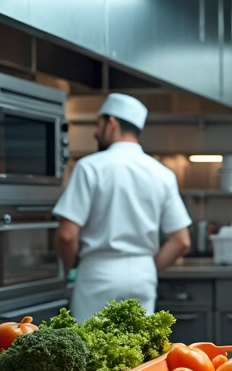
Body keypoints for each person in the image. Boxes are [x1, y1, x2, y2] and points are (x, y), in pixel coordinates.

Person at [54, 94, 192, 321]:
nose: (95, 132)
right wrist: (147, 267)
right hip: (143, 273)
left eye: (98, 124)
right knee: (138, 342)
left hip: (98, 273)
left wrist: (75, 267)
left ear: (112, 123)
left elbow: (67, 235)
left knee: (92, 341)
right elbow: (182, 240)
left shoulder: (89, 167)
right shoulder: (162, 173)